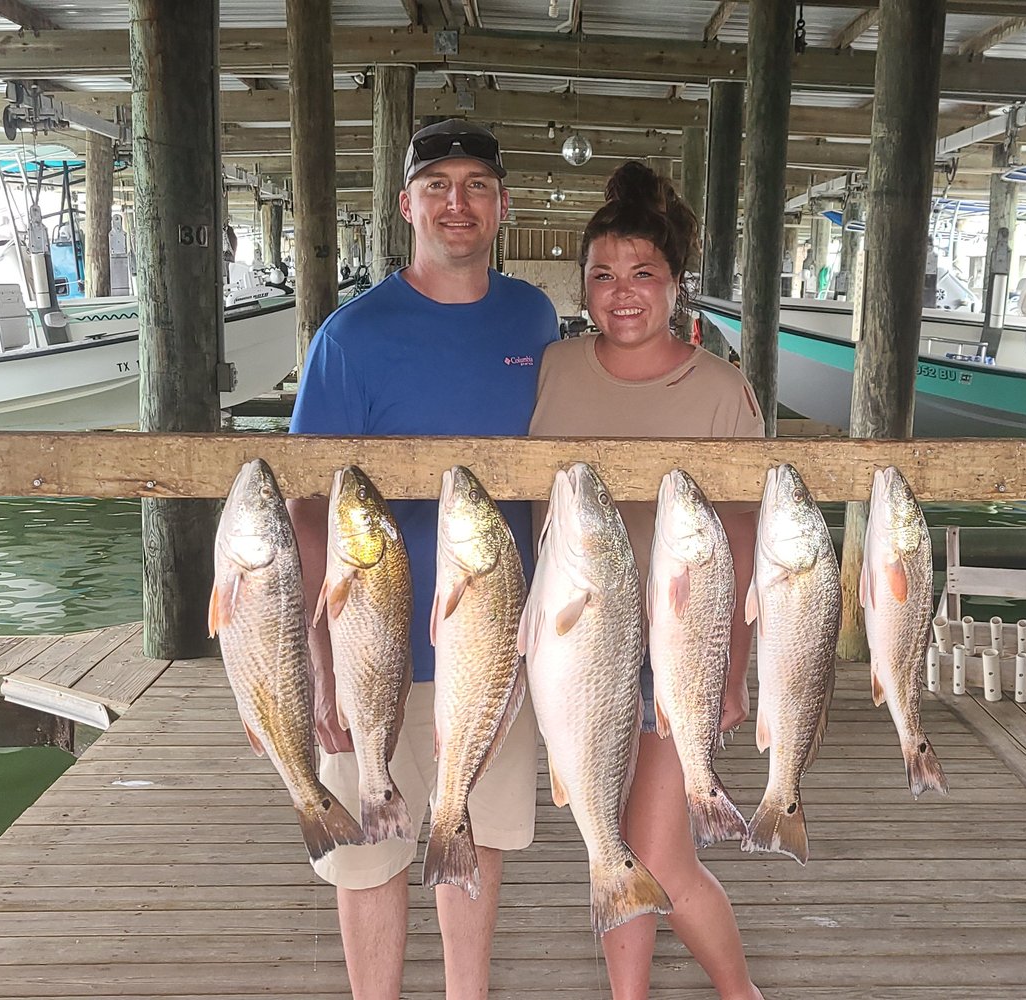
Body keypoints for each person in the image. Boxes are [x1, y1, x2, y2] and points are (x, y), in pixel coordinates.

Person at [287, 119, 559, 1000]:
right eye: (436, 185)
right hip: (374, 644)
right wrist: (318, 666)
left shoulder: (533, 316)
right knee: (371, 852)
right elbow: (301, 506)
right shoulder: (350, 337)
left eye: (475, 184)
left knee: (471, 834)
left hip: (495, 638)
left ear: (501, 206)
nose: (456, 202)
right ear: (405, 205)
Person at [529, 160, 765, 1000]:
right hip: (577, 642)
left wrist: (733, 668)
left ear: (674, 285)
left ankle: (741, 993)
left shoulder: (718, 389)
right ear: (582, 286)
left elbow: (743, 535)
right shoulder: (552, 370)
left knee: (662, 849)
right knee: (609, 844)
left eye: (641, 275)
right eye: (601, 276)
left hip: (679, 649)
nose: (620, 293)